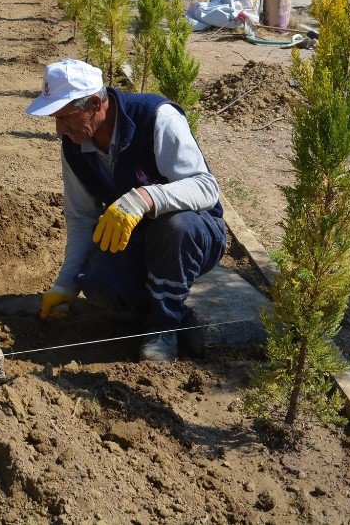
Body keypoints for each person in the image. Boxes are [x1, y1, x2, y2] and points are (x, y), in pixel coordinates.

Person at [26, 59, 226, 362]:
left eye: (66, 117)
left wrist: (145, 197)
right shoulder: (76, 145)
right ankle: (148, 305)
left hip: (194, 232)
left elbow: (206, 188)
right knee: (97, 285)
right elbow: (82, 217)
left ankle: (163, 327)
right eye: (55, 118)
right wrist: (66, 284)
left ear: (95, 103)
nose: (59, 129)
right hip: (139, 238)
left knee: (175, 227)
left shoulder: (156, 117)